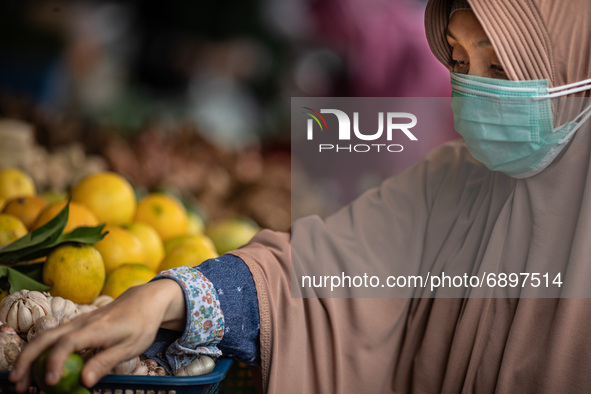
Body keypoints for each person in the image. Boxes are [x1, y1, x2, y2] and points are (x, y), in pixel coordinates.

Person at [10, 0, 591, 392]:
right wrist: (166, 297)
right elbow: (322, 269)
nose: (473, 89)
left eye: (501, 62)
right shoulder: (454, 178)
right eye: (461, 62)